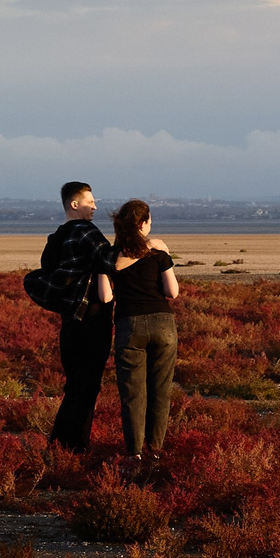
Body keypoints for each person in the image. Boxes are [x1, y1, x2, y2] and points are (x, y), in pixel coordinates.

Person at [39, 182, 114, 456]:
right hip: (93, 319)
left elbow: (48, 273)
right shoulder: (86, 232)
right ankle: (76, 448)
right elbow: (111, 262)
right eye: (90, 202)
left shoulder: (56, 239)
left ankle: (59, 445)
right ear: (74, 204)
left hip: (69, 320)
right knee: (88, 386)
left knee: (74, 385)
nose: (95, 206)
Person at [106, 198, 179, 474]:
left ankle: (134, 454)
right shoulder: (159, 252)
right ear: (144, 223)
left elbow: (107, 294)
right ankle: (155, 452)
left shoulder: (112, 257)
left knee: (133, 394)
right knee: (161, 391)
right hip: (163, 323)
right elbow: (172, 292)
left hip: (129, 325)